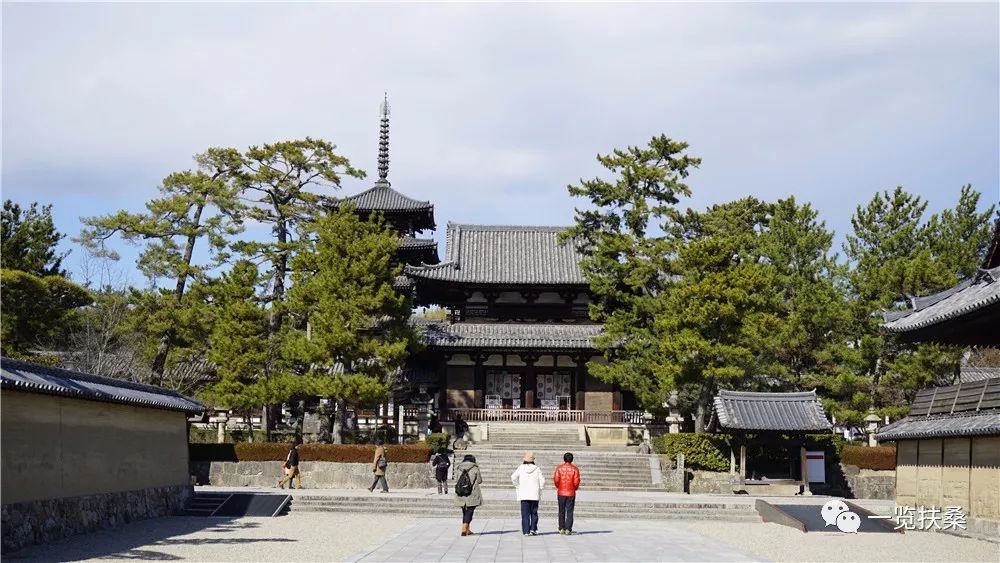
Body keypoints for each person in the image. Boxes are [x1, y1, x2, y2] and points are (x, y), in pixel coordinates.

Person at [511, 451, 544, 536]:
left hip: (524, 494)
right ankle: (533, 529)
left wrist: (517, 486)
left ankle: (526, 531)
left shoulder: (521, 468)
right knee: (534, 512)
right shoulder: (537, 468)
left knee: (525, 513)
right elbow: (542, 481)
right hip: (534, 494)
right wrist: (539, 488)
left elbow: (513, 477)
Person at [454, 454, 482, 536]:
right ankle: (464, 529)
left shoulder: (459, 468)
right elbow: (480, 481)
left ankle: (467, 530)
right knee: (470, 511)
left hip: (461, 492)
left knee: (465, 512)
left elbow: (456, 480)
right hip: (472, 493)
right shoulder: (475, 468)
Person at [553, 452, 581, 535]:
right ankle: (568, 528)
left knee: (561, 511)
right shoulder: (575, 469)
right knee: (569, 511)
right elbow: (576, 482)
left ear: (564, 459)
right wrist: (574, 488)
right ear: (572, 459)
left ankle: (561, 528)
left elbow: (556, 480)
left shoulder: (559, 468)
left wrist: (559, 487)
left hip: (561, 492)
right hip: (571, 493)